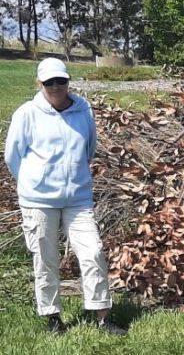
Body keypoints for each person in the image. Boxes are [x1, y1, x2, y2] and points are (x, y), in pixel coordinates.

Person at [4, 57, 127, 335]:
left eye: (61, 80)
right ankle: (52, 316)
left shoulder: (83, 111)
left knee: (93, 252)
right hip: (37, 200)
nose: (56, 86)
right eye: (49, 82)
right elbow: (13, 157)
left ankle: (103, 316)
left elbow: (89, 148)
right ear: (40, 83)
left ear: (68, 81)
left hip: (78, 198)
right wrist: (32, 183)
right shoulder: (26, 114)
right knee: (45, 259)